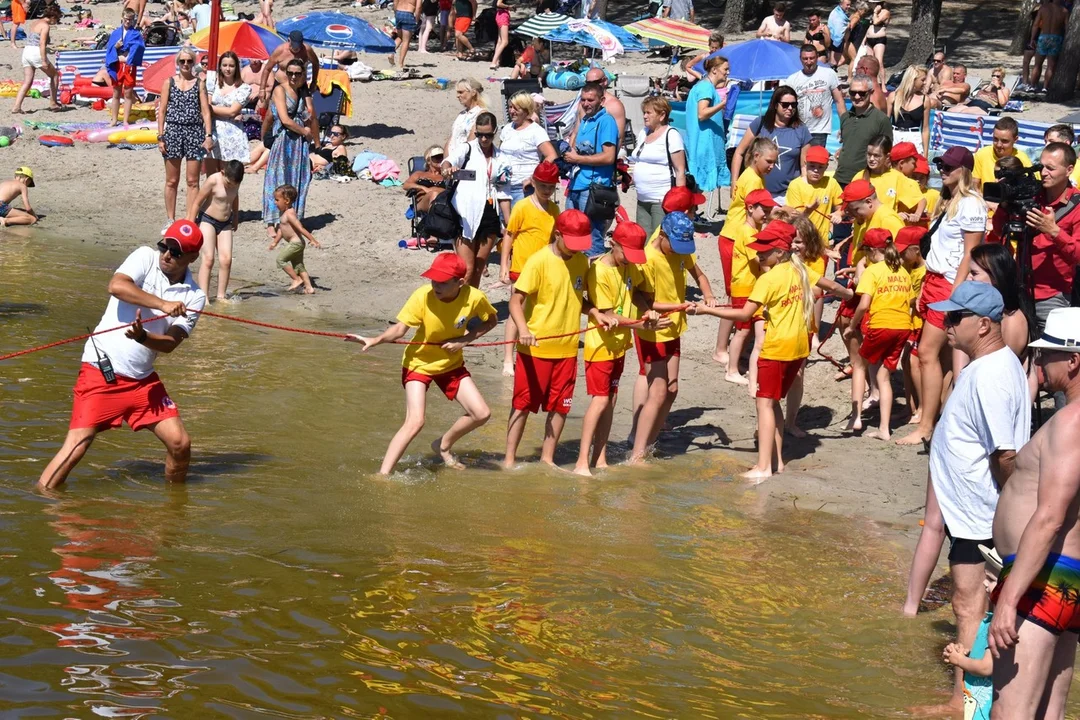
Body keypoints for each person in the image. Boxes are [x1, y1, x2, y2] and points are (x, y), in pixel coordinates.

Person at [920, 281, 1030, 713]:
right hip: (970, 510)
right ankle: (966, 695)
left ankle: (962, 701)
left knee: (970, 604)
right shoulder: (991, 366)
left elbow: (1006, 454)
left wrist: (1014, 511)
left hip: (982, 513)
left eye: (955, 317)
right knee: (968, 602)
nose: (946, 324)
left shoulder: (992, 376)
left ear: (983, 325)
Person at [37, 220, 207, 489]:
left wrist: (144, 337)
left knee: (180, 444)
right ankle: (43, 499)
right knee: (77, 446)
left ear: (192, 257)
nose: (166, 255)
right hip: (101, 369)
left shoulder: (195, 297)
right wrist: (162, 304)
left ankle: (175, 509)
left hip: (142, 381)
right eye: (165, 246)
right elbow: (117, 286)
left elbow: (171, 343)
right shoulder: (144, 257)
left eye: (176, 252)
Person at [691, 220, 852, 480]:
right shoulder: (800, 269)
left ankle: (763, 467)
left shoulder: (768, 278)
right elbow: (831, 286)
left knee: (763, 404)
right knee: (773, 401)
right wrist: (849, 295)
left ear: (780, 251)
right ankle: (777, 461)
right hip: (799, 349)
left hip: (777, 349)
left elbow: (744, 313)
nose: (758, 254)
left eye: (764, 250)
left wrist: (706, 309)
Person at [988, 307, 1080, 718]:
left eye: (1048, 354)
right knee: (1047, 712)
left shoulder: (1072, 423)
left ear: (1074, 360)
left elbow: (1049, 517)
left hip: (1042, 577)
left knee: (1012, 712)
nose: (1039, 360)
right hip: (1064, 577)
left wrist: (1009, 599)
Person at [347, 253, 496, 474]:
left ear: (460, 282)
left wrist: (465, 340)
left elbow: (491, 320)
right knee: (416, 422)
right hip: (418, 363)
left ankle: (442, 445)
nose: (436, 285)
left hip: (450, 364)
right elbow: (399, 329)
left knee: (481, 413)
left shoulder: (474, 297)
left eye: (443, 282)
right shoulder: (422, 296)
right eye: (433, 279)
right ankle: (383, 474)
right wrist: (375, 340)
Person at [896, 146, 987, 447]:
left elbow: (971, 253)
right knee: (942, 357)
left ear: (964, 170)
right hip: (936, 280)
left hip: (949, 285)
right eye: (941, 165)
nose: (943, 170)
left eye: (949, 166)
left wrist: (956, 292)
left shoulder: (971, 204)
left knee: (927, 354)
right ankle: (937, 418)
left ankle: (925, 424)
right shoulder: (948, 200)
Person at [504, 210, 592, 469]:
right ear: (557, 235)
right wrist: (523, 330)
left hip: (566, 351)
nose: (576, 250)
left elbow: (580, 300)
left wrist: (598, 312)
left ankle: (547, 459)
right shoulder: (538, 261)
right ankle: (509, 460)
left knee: (561, 407)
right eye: (572, 243)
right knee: (522, 406)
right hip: (535, 350)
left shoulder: (581, 262)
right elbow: (515, 300)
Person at [574, 222, 662, 476]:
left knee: (611, 400)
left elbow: (637, 293)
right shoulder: (599, 272)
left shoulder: (630, 266)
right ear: (614, 244)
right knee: (600, 400)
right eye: (627, 254)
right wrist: (642, 325)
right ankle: (582, 462)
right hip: (600, 345)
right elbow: (608, 313)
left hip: (619, 346)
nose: (630, 261)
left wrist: (648, 310)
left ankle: (599, 457)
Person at [631, 212, 719, 463]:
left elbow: (699, 275)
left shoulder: (681, 251)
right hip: (653, 329)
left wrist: (708, 295)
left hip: (674, 327)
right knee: (657, 391)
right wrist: (681, 304)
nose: (680, 251)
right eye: (676, 246)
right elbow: (646, 301)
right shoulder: (648, 259)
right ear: (662, 236)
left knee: (671, 389)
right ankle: (637, 453)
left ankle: (650, 441)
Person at [991, 142, 1080, 333]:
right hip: (1019, 287)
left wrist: (1053, 231)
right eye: (1041, 166)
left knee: (1049, 358)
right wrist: (1005, 205)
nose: (1044, 173)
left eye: (1051, 168)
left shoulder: (1077, 205)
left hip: (1052, 295)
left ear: (1069, 169)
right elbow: (999, 230)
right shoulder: (1030, 194)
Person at [716, 138, 778, 368]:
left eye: (774, 161)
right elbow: (764, 212)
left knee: (743, 296)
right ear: (756, 157)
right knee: (734, 297)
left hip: (738, 236)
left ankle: (733, 347)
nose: (772, 166)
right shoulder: (752, 180)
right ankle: (721, 348)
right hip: (734, 238)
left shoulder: (756, 176)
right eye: (769, 161)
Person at [845, 228, 911, 439]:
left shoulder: (873, 271)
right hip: (902, 326)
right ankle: (884, 429)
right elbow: (910, 301)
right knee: (883, 376)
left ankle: (855, 418)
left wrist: (851, 325)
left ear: (872, 251)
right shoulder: (902, 271)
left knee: (859, 366)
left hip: (881, 324)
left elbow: (864, 304)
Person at [499, 161, 561, 375]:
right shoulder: (522, 206)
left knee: (534, 310)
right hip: (522, 267)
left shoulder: (554, 210)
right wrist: (504, 265)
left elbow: (555, 239)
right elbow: (509, 234)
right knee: (515, 312)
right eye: (543, 185)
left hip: (545, 269)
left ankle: (530, 352)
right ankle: (508, 359)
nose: (547, 191)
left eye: (551, 187)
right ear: (534, 182)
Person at [443, 111, 508, 286]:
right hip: (466, 214)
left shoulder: (501, 156)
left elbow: (504, 191)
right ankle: (460, 308)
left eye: (488, 135)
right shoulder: (468, 148)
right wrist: (447, 169)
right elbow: (448, 161)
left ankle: (471, 309)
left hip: (489, 214)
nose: (484, 139)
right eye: (480, 134)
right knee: (467, 270)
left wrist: (508, 221)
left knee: (478, 269)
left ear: (495, 132)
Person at [158, 47, 215, 237]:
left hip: (194, 132)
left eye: (189, 61)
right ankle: (170, 219)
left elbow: (206, 111)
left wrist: (208, 136)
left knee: (192, 180)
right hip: (173, 131)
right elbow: (163, 110)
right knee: (171, 180)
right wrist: (161, 136)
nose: (185, 65)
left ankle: (190, 220)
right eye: (182, 61)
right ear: (177, 62)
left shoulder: (200, 83)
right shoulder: (169, 83)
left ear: (193, 63)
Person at [724, 189, 778, 387]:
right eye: (763, 209)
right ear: (750, 208)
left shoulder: (753, 230)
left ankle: (738, 361)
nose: (767, 212)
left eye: (769, 208)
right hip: (744, 287)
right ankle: (731, 369)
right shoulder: (747, 232)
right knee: (743, 330)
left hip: (750, 286)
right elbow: (760, 260)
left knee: (750, 330)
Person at [564, 82, 619, 258]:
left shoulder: (606, 121)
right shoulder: (586, 120)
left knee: (591, 236)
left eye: (590, 100)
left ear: (601, 100)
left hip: (594, 188)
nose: (586, 103)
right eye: (583, 100)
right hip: (577, 183)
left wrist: (578, 158)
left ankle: (595, 278)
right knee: (571, 232)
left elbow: (609, 156)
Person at [731, 86, 811, 201]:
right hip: (757, 190)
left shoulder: (801, 129)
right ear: (775, 105)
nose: (790, 108)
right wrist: (734, 181)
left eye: (793, 105)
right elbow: (739, 152)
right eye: (785, 105)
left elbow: (804, 165)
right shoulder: (760, 124)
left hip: (787, 194)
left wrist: (804, 190)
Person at [631, 96, 688, 237]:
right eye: (644, 112)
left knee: (659, 239)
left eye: (648, 113)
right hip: (642, 197)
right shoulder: (644, 132)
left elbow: (680, 170)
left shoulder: (671, 135)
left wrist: (680, 201)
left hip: (661, 199)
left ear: (662, 115)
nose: (644, 116)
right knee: (643, 240)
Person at [190, 160, 244, 302]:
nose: (231, 186)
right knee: (208, 259)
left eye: (234, 185)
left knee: (226, 260)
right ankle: (204, 297)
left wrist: (236, 216)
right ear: (222, 173)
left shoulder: (236, 180)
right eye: (228, 184)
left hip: (225, 223)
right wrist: (190, 222)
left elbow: (235, 198)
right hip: (208, 220)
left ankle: (221, 296)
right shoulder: (213, 180)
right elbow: (197, 202)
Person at [969, 244, 1033, 360]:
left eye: (974, 273)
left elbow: (1002, 367)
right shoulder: (982, 310)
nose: (969, 278)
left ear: (995, 276)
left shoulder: (1012, 319)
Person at [684, 56, 731, 210]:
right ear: (714, 70)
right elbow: (702, 114)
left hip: (703, 142)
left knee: (696, 186)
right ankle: (690, 216)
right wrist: (723, 104)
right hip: (703, 144)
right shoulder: (705, 87)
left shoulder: (705, 87)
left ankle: (692, 215)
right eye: (725, 69)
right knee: (696, 185)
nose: (728, 73)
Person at [498, 92, 557, 208]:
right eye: (510, 107)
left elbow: (552, 155)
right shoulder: (507, 129)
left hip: (524, 187)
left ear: (526, 110)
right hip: (505, 186)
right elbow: (500, 154)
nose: (511, 111)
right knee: (507, 224)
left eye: (516, 108)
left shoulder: (536, 131)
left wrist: (533, 177)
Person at [784, 144, 842, 258]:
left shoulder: (831, 183)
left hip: (822, 244)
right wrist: (809, 210)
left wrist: (839, 213)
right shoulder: (796, 185)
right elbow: (794, 220)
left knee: (819, 275)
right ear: (805, 164)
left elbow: (841, 205)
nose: (816, 170)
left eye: (820, 167)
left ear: (827, 167)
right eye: (812, 166)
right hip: (801, 245)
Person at [835, 75, 892, 186]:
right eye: (853, 93)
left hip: (865, 180)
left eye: (862, 93)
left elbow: (887, 154)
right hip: (840, 178)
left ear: (871, 92)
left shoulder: (881, 120)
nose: (857, 97)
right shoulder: (845, 117)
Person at [851, 137, 925, 221]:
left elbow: (921, 200)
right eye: (869, 154)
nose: (871, 159)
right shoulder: (860, 176)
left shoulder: (896, 177)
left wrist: (916, 215)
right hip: (863, 231)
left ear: (887, 156)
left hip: (886, 230)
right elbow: (849, 206)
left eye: (876, 155)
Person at [785, 45, 844, 148]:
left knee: (815, 162)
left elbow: (839, 101)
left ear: (817, 57)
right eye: (805, 58)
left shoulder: (829, 74)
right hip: (798, 129)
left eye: (811, 58)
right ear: (800, 59)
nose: (808, 62)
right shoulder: (792, 79)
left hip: (819, 130)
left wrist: (844, 125)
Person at [267, 184, 322, 294]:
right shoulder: (284, 213)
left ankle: (297, 279)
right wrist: (275, 242)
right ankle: (309, 287)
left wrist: (312, 239)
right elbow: (281, 230)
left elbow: (300, 228)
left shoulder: (290, 214)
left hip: (295, 244)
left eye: (277, 200)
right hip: (297, 244)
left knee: (281, 260)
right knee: (299, 266)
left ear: (286, 201)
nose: (275, 202)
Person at [206, 51, 253, 172]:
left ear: (237, 67)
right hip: (212, 130)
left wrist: (210, 109)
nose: (228, 69)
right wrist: (220, 110)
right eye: (225, 65)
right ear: (220, 66)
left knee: (228, 177)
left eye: (231, 66)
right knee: (211, 175)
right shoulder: (212, 83)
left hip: (232, 134)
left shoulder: (244, 88)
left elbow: (232, 111)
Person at [11, 4, 62, 115]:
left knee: (27, 81)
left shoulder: (35, 22)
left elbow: (34, 39)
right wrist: (44, 60)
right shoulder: (45, 25)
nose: (56, 22)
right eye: (56, 19)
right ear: (53, 16)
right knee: (54, 75)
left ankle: (16, 106)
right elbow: (42, 43)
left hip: (26, 52)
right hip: (36, 52)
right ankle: (53, 103)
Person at [98, 8, 145, 127]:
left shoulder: (136, 34)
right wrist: (116, 46)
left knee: (128, 93)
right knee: (116, 92)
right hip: (117, 64)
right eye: (126, 19)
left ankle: (125, 120)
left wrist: (130, 53)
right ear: (122, 18)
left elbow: (140, 47)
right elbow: (109, 49)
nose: (128, 22)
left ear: (133, 20)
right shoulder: (115, 33)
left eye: (130, 20)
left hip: (128, 66)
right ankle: (114, 119)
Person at [259, 31, 320, 108]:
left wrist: (314, 81)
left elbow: (316, 63)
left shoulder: (306, 50)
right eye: (293, 45)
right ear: (289, 41)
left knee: (309, 112)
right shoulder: (280, 50)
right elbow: (267, 69)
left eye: (299, 46)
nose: (296, 48)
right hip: (281, 86)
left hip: (300, 87)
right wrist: (262, 89)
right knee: (274, 112)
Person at [972, 117, 1033, 190]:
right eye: (995, 139)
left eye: (1004, 141)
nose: (998, 145)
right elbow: (975, 184)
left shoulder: (1022, 159)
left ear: (1015, 139)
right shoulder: (982, 154)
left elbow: (1032, 186)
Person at [570, 69, 626, 147]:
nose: (592, 86)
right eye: (588, 83)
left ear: (605, 81)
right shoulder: (584, 103)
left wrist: (611, 158)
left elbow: (619, 138)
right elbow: (575, 133)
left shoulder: (614, 105)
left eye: (595, 82)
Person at [888, 66, 930, 154]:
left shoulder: (924, 100)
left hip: (914, 137)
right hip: (895, 136)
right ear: (913, 80)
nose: (925, 83)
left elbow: (925, 129)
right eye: (922, 80)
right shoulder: (893, 96)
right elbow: (886, 122)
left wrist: (925, 153)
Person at [1029, 0, 1068, 92]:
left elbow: (1035, 25)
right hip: (1056, 38)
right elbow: (1067, 28)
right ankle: (1045, 87)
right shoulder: (1064, 11)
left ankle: (1032, 86)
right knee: (1051, 65)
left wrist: (1032, 39)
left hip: (1043, 37)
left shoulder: (1044, 8)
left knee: (1037, 64)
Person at [445, 78, 487, 159]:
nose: (457, 96)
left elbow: (471, 140)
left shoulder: (480, 114)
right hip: (452, 160)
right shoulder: (461, 115)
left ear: (473, 92)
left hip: (464, 160)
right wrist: (446, 160)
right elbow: (452, 138)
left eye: (461, 92)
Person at [403, 145, 448, 216]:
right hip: (422, 203)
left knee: (435, 194)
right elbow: (406, 185)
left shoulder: (446, 175)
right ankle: (432, 222)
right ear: (429, 161)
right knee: (434, 194)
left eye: (442, 157)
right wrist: (423, 188)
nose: (440, 160)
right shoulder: (419, 174)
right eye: (436, 157)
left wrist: (433, 190)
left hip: (443, 203)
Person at [860, 1, 889, 85]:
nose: (871, 5)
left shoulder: (885, 12)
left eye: (873, 3)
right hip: (869, 40)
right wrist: (865, 38)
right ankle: (872, 83)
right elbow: (871, 25)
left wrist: (875, 12)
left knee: (879, 62)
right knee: (869, 62)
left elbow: (876, 22)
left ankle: (883, 85)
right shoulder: (872, 13)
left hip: (879, 40)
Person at [392, 0, 421, 70]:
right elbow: (418, 7)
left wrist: (396, 14)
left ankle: (390, 53)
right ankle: (401, 63)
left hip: (399, 12)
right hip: (408, 13)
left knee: (400, 37)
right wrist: (417, 20)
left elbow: (395, 2)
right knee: (406, 41)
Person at [826, 0, 851, 68]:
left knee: (831, 62)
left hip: (833, 38)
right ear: (841, 4)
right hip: (836, 39)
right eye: (847, 5)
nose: (849, 7)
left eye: (849, 5)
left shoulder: (838, 12)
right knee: (833, 63)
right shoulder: (838, 14)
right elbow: (838, 30)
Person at [489, 0, 512, 70]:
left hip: (499, 14)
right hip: (503, 15)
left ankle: (496, 61)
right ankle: (493, 61)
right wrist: (508, 7)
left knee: (500, 40)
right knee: (505, 42)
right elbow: (499, 3)